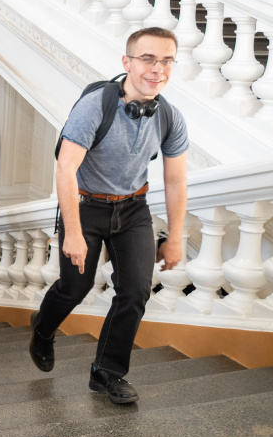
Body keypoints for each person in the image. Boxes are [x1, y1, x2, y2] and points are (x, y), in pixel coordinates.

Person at [30, 27, 187, 404]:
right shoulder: (95, 106)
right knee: (76, 286)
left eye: (166, 60)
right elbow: (66, 169)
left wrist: (176, 236)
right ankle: (43, 328)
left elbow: (176, 179)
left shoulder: (168, 115)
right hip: (85, 206)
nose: (158, 69)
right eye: (148, 58)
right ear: (127, 62)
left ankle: (107, 372)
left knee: (134, 291)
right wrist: (72, 232)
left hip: (133, 208)